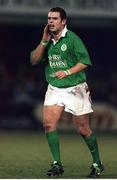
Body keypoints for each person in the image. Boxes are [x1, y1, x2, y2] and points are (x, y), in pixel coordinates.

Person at [30, 7, 104, 178]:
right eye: (49, 18)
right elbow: (34, 60)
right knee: (48, 125)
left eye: (55, 18)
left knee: (83, 129)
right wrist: (43, 41)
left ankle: (97, 163)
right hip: (54, 87)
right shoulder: (47, 41)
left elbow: (85, 61)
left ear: (64, 21)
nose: (50, 21)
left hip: (75, 87)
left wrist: (68, 72)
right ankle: (57, 164)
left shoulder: (72, 39)